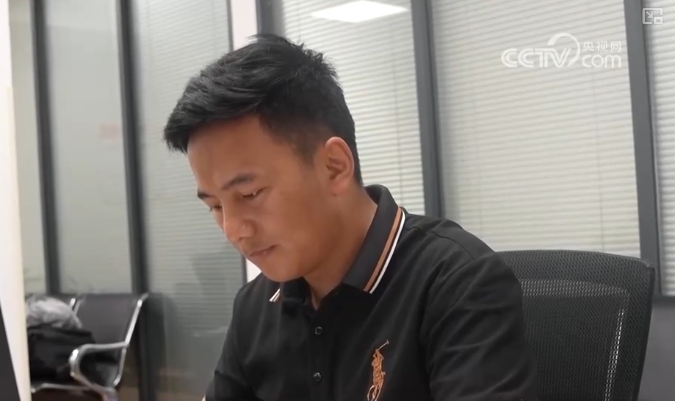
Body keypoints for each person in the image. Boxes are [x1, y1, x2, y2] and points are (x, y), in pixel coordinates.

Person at [163, 34, 538, 401]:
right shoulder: (256, 306)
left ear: (334, 166)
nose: (233, 230)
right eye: (215, 206)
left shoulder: (456, 282)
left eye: (250, 194)